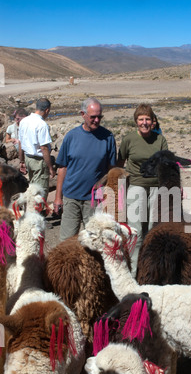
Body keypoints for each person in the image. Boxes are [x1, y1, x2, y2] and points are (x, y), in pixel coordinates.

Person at [53, 97, 116, 241]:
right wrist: (58, 197)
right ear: (83, 114)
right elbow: (62, 167)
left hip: (94, 200)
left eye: (99, 117)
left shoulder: (108, 138)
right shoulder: (71, 136)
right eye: (93, 117)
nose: (97, 120)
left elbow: (112, 170)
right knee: (67, 242)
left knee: (95, 241)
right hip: (71, 198)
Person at [117, 103, 168, 277]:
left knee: (154, 230)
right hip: (136, 186)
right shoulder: (129, 140)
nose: (144, 123)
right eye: (141, 119)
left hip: (156, 187)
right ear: (136, 121)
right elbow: (119, 163)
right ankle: (132, 272)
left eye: (147, 119)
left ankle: (151, 270)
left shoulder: (159, 140)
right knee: (135, 231)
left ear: (153, 121)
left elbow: (166, 164)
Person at [18, 98, 55, 199]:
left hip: (28, 158)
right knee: (40, 192)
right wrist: (50, 167)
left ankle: (31, 210)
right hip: (38, 161)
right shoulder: (42, 125)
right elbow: (44, 148)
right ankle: (38, 211)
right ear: (47, 110)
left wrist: (21, 161)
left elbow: (21, 142)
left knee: (32, 188)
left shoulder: (24, 121)